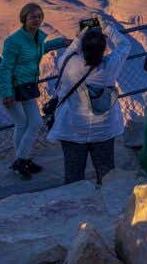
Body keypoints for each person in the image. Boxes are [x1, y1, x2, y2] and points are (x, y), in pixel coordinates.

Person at [49, 21, 128, 185]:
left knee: (73, 177)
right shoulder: (110, 66)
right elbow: (125, 45)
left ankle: (76, 205)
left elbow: (72, 50)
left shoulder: (67, 62)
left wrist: (81, 34)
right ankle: (110, 205)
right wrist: (108, 29)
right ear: (104, 49)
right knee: (107, 176)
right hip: (104, 129)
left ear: (83, 47)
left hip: (72, 129)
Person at [0, 3, 68, 180]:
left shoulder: (35, 37)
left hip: (27, 86)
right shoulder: (13, 41)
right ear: (24, 18)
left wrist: (63, 42)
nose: (36, 20)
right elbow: (6, 68)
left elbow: (40, 49)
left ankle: (22, 159)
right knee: (22, 123)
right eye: (32, 17)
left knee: (34, 122)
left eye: (38, 16)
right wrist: (6, 93)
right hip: (12, 88)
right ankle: (22, 161)